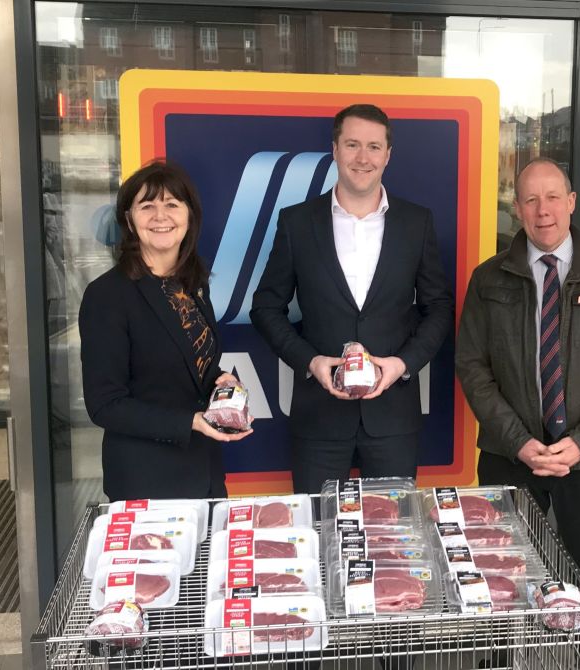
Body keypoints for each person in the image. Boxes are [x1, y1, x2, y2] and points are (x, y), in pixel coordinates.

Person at [455, 158, 580, 670]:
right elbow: (472, 366)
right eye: (530, 199)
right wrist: (518, 440)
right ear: (517, 208)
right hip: (509, 456)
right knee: (500, 577)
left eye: (552, 197)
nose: (543, 211)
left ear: (571, 202)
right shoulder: (488, 279)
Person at [250, 103, 453, 494]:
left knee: (390, 537)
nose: (363, 158)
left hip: (392, 420)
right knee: (319, 530)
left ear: (388, 155)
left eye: (374, 147)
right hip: (319, 420)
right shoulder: (297, 222)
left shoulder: (416, 223)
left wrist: (402, 364)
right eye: (353, 145)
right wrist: (310, 361)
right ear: (335, 150)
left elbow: (439, 307)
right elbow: (265, 307)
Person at [79, 160, 252, 501]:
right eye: (147, 206)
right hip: (147, 480)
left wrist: (220, 380)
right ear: (129, 219)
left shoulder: (193, 283)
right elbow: (105, 404)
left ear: (189, 216)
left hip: (204, 473)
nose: (161, 217)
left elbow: (187, 360)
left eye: (172, 205)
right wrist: (189, 421)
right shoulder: (107, 296)